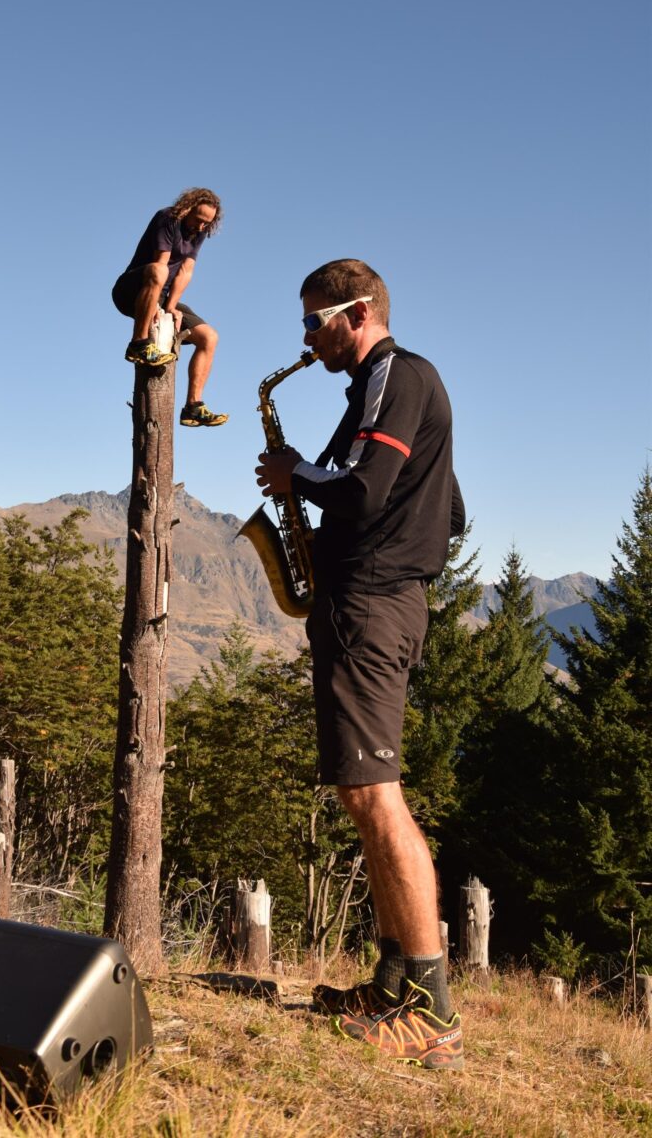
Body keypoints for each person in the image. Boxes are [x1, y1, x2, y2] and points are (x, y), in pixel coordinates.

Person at [254, 258, 466, 1070]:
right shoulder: (383, 390)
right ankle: (392, 983)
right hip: (374, 601)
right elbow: (448, 507)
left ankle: (429, 1009)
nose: (308, 339)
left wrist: (295, 475)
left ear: (361, 310)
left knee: (378, 796)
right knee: (361, 792)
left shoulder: (396, 375)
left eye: (316, 322)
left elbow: (367, 490)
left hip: (372, 606)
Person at [112, 188, 228, 427]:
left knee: (209, 337)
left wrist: (171, 307)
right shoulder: (168, 218)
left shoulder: (199, 232)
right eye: (199, 219)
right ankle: (139, 344)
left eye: (208, 223)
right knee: (159, 270)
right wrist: (156, 305)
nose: (202, 227)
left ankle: (193, 407)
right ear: (187, 208)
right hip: (132, 290)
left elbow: (186, 270)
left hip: (162, 296)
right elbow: (161, 264)